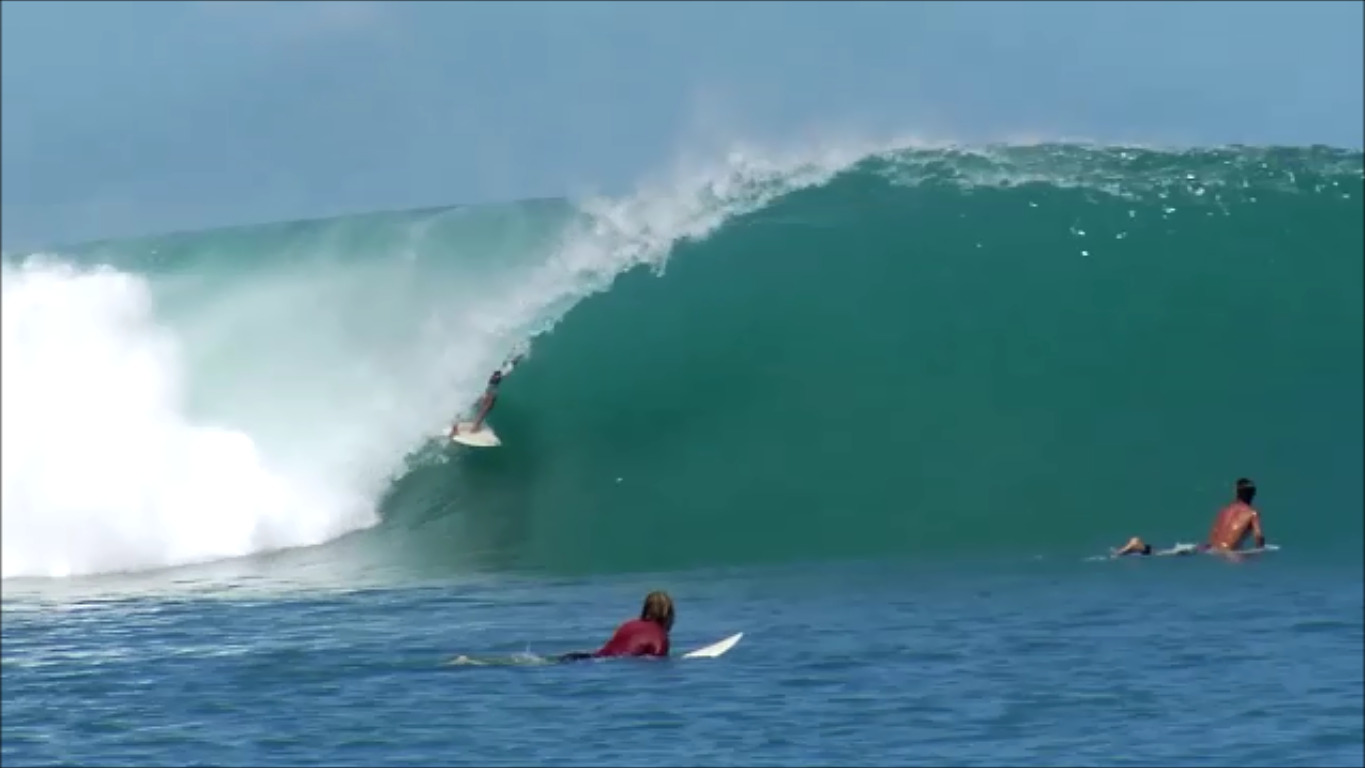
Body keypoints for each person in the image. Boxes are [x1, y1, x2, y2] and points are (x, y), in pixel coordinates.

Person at [1112, 478, 1267, 557]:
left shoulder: (1224, 510)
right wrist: (1259, 552)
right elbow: (1259, 536)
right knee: (1172, 555)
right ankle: (1139, 546)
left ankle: (1141, 547)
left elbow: (1215, 532)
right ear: (1253, 494)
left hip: (1208, 547)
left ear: (1235, 492)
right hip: (1223, 553)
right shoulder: (1252, 513)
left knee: (1171, 553)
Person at [557, 591, 675, 662]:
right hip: (608, 663)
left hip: (586, 657)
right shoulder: (660, 637)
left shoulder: (628, 624)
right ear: (668, 614)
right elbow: (657, 661)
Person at [450, 354, 522, 437]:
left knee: (469, 403)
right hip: (489, 382)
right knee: (487, 403)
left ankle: (457, 426)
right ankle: (469, 427)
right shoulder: (502, 364)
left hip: (483, 380)